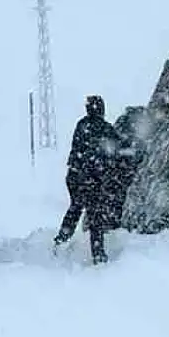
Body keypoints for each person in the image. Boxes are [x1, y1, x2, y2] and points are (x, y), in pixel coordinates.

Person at [54, 95, 121, 264]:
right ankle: (98, 254)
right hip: (93, 179)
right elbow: (116, 151)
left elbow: (78, 151)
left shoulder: (81, 125)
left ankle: (61, 240)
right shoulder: (106, 128)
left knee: (75, 208)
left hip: (76, 177)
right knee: (96, 217)